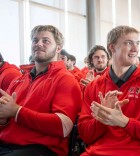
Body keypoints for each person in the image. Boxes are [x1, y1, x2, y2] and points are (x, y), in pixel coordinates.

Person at [78, 25, 140, 156]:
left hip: (137, 152)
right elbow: (85, 135)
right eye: (128, 43)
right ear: (112, 47)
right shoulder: (94, 86)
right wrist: (103, 118)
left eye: (137, 43)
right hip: (98, 152)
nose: (136, 49)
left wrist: (124, 122)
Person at [0, 25, 82, 156]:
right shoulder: (19, 80)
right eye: (35, 40)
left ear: (58, 48)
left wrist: (17, 111)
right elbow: (6, 120)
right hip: (7, 144)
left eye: (46, 41)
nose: (38, 44)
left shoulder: (65, 79)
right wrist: (3, 118)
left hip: (41, 148)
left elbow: (63, 127)